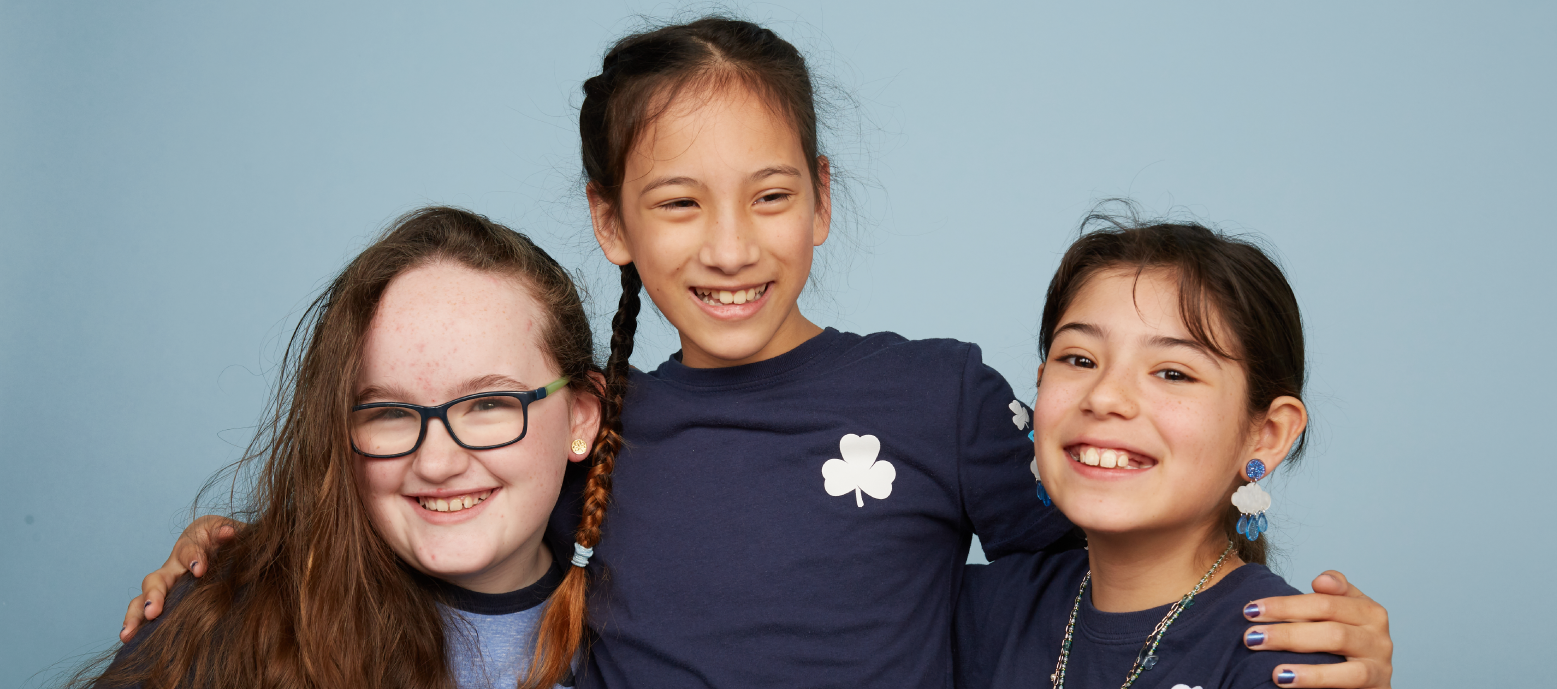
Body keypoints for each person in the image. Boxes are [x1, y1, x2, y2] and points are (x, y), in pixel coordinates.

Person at [124, 17, 1393, 688]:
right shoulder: (590, 427)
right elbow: (445, 504)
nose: (729, 246)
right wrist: (232, 549)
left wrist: (1276, 623)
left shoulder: (935, 392)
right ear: (611, 223)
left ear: (824, 198)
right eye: (678, 204)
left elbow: (1121, 552)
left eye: (770, 195)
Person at [85, 207, 613, 689]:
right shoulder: (232, 612)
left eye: (488, 404)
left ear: (582, 416)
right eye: (389, 413)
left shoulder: (650, 624)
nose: (436, 462)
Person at [956, 212, 1366, 688]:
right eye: (1079, 359)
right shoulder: (971, 608)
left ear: (1268, 435)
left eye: (1173, 373)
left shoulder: (1286, 656)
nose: (1104, 396)